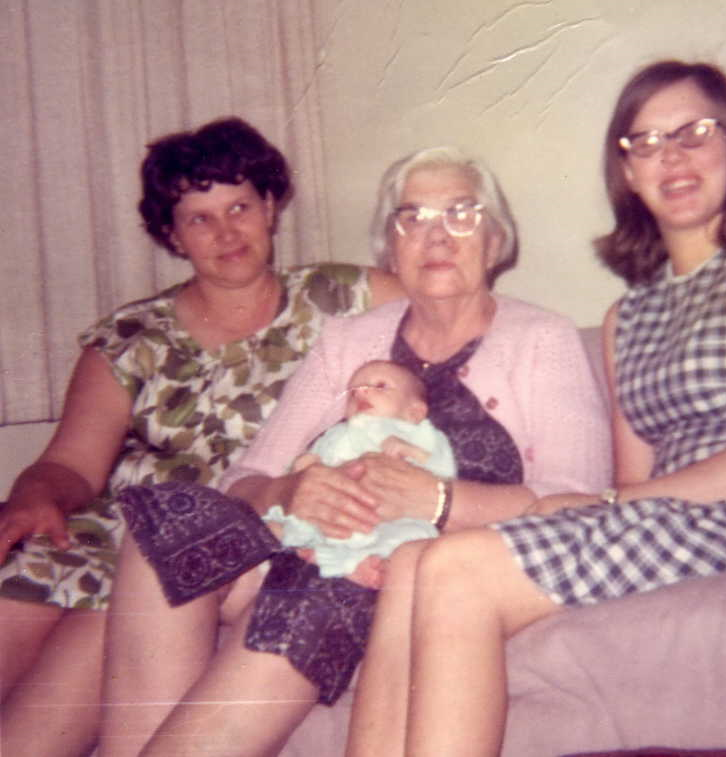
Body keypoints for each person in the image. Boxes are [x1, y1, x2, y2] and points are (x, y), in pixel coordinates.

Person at [344, 61, 726, 757]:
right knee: (419, 556)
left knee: (457, 572)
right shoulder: (626, 316)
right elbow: (627, 485)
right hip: (674, 515)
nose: (673, 156)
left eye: (694, 133)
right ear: (627, 172)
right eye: (647, 143)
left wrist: (629, 500)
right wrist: (605, 502)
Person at [99, 145, 611, 757]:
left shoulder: (541, 340)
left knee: (322, 585)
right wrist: (289, 491)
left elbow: (578, 504)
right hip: (302, 539)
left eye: (461, 215)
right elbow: (249, 474)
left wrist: (443, 502)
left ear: (495, 241)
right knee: (164, 519)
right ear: (390, 249)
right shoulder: (348, 340)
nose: (437, 236)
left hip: (395, 564)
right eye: (412, 219)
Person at [0, 116, 402, 757]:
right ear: (172, 234)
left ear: (271, 207)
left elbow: (447, 340)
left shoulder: (347, 297)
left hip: (211, 541)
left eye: (240, 206)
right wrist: (33, 495)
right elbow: (70, 466)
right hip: (105, 532)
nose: (227, 232)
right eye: (200, 218)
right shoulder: (130, 339)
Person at [266, 358, 456, 583]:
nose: (361, 393)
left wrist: (411, 451)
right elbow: (307, 472)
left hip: (390, 517)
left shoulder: (420, 434)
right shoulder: (336, 434)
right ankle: (328, 555)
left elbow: (444, 470)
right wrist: (305, 465)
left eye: (380, 386)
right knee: (275, 523)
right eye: (353, 392)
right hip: (333, 512)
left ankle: (351, 564)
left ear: (414, 412)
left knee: (415, 537)